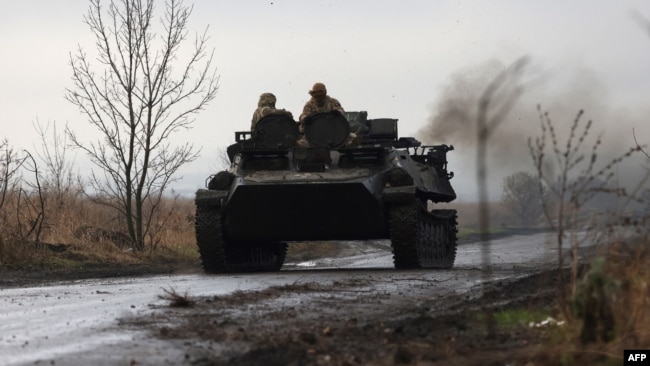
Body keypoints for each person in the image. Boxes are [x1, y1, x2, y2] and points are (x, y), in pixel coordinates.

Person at [298, 83, 359, 147]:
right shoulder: (309, 105)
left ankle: (351, 144)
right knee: (304, 142)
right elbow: (303, 116)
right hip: (315, 133)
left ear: (325, 92)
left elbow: (341, 111)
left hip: (333, 131)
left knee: (347, 137)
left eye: (320, 92)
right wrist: (306, 119)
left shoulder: (332, 102)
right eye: (315, 93)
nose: (318, 95)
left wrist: (337, 112)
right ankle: (297, 144)